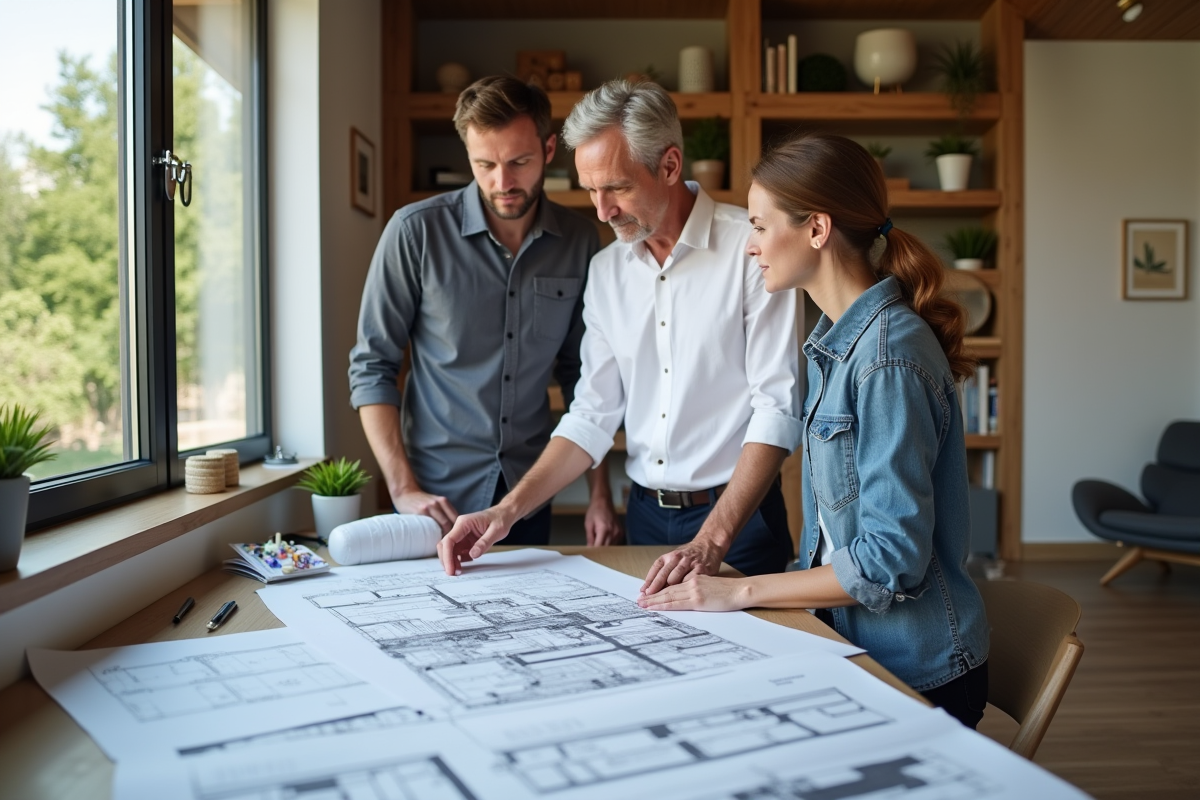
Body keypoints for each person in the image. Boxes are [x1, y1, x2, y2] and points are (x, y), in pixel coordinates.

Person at [638, 134, 990, 729]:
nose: (749, 247)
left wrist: (742, 592)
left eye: (758, 225)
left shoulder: (886, 357)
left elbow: (889, 560)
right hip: (857, 644)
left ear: (817, 230)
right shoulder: (839, 342)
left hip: (913, 669)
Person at [438, 79, 803, 588]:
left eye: (617, 187)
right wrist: (506, 512)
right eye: (591, 190)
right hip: (645, 519)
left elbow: (778, 407)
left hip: (738, 520)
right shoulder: (607, 269)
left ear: (670, 166)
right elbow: (591, 415)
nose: (602, 210)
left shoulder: (752, 246)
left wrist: (712, 539)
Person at [349, 76, 620, 546]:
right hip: (434, 497)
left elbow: (585, 377)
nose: (503, 182)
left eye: (519, 162)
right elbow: (373, 366)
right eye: (484, 164)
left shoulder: (580, 241)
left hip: (527, 493)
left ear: (550, 147)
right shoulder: (414, 233)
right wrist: (403, 488)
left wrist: (600, 493)